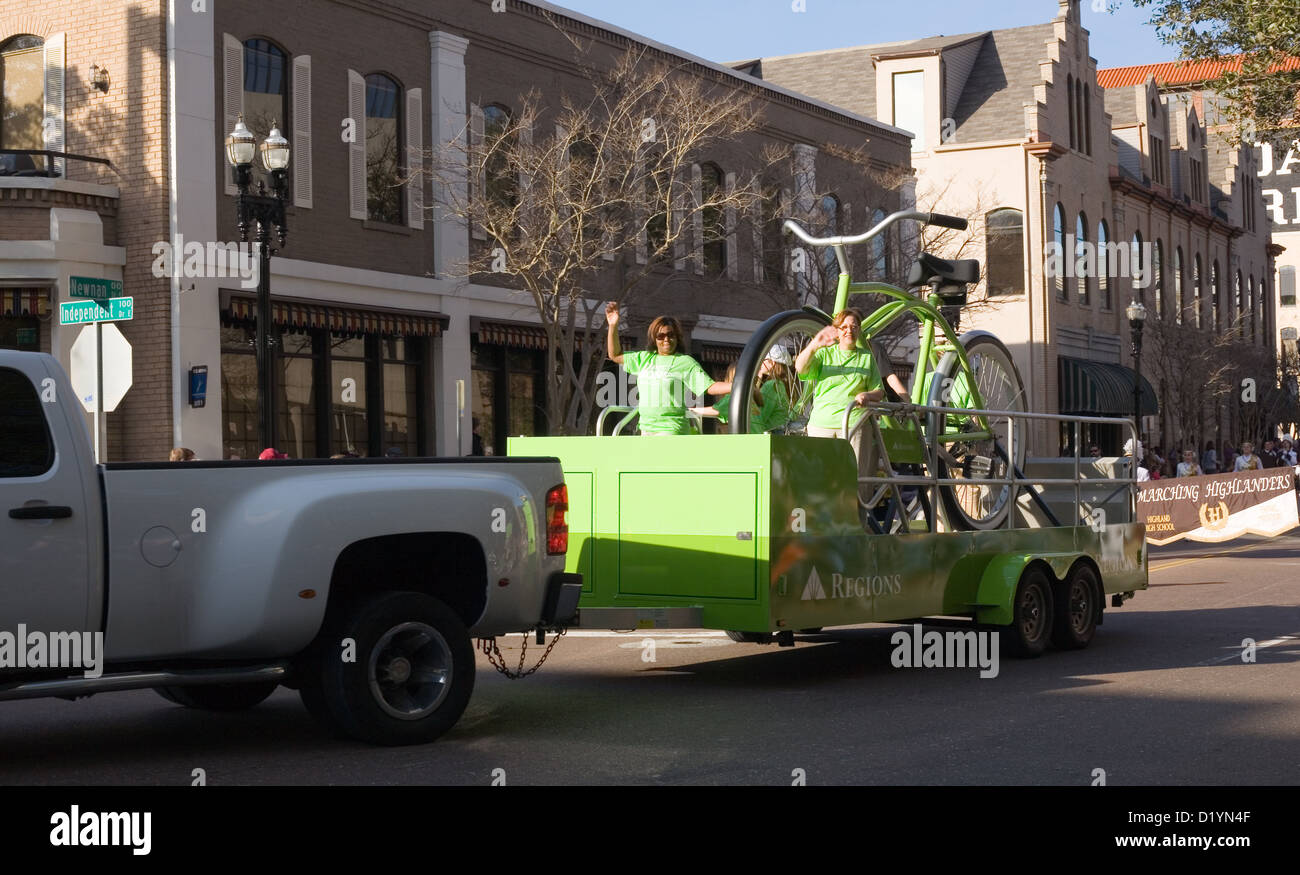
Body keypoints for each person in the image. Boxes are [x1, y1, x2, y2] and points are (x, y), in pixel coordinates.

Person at [796, 308, 908, 460]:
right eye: (844, 327)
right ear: (837, 330)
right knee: (820, 477)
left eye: (854, 327)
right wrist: (814, 344)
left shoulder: (867, 358)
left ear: (859, 330)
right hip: (821, 424)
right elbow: (800, 367)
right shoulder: (825, 354)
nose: (849, 330)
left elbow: (879, 391)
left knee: (855, 477)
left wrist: (867, 395)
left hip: (855, 425)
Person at [605, 302, 730, 435]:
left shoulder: (684, 362)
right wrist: (613, 325)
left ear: (677, 337)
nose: (666, 339)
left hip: (672, 430)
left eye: (671, 335)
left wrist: (741, 385)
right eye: (661, 336)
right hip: (646, 429)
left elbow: (710, 387)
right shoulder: (644, 358)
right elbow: (615, 355)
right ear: (654, 339)